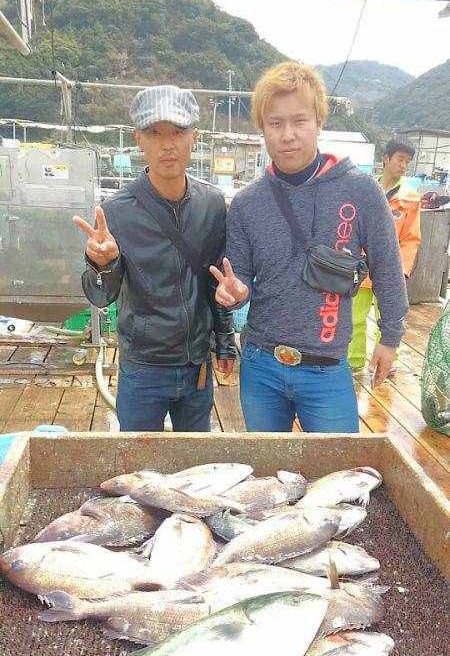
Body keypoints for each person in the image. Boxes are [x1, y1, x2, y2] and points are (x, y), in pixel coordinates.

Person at [210, 61, 408, 434]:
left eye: (299, 121)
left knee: (339, 474)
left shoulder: (361, 191)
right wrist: (233, 295)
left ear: (319, 120)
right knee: (268, 477)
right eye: (275, 123)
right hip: (261, 364)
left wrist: (390, 337)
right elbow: (237, 279)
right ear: (262, 129)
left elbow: (386, 267)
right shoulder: (247, 203)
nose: (288, 135)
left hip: (328, 368)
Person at [74, 85, 236, 432]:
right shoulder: (116, 211)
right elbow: (101, 295)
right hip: (143, 366)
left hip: (197, 365)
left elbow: (216, 281)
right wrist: (101, 264)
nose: (167, 143)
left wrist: (225, 342)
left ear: (194, 137)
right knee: (136, 465)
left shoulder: (212, 204)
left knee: (195, 467)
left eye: (177, 132)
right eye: (155, 132)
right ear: (138, 139)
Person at [348, 137, 421, 372]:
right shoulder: (364, 192)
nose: (403, 166)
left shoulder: (410, 200)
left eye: (407, 162)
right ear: (386, 158)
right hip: (361, 270)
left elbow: (411, 239)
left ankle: (388, 365)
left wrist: (401, 271)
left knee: (389, 320)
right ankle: (354, 361)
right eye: (400, 159)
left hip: (389, 274)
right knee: (354, 319)